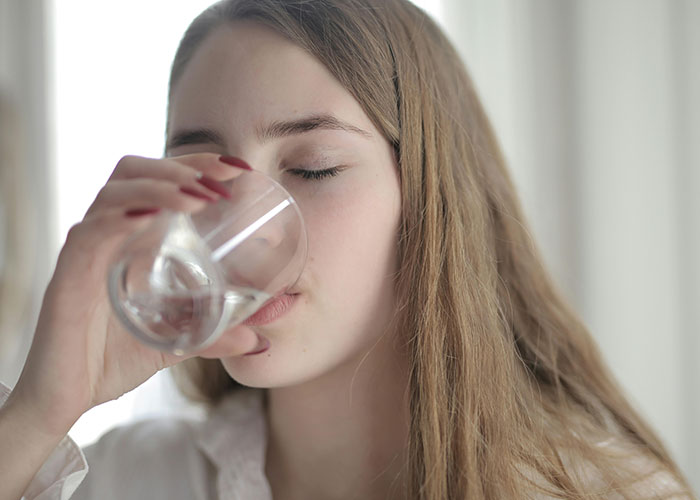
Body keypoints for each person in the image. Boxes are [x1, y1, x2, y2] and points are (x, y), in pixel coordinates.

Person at [0, 0, 695, 498]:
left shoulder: (601, 492)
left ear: (429, 195)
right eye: (204, 174)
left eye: (313, 169)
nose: (249, 225)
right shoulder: (128, 480)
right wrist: (38, 410)